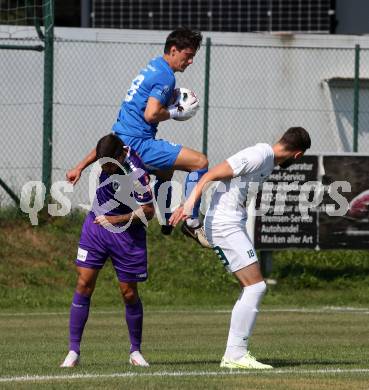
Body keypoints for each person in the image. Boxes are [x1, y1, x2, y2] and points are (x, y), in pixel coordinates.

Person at [170, 127, 311, 369]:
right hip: (225, 224)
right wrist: (190, 203)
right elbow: (211, 174)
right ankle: (235, 355)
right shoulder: (259, 155)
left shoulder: (267, 161)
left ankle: (235, 353)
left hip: (231, 224)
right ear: (297, 155)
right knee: (256, 287)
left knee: (254, 287)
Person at [66, 27, 210, 248]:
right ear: (174, 50)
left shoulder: (152, 66)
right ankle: (191, 221)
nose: (190, 61)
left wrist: (79, 167)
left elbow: (112, 140)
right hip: (140, 146)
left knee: (166, 170)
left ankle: (167, 219)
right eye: (188, 55)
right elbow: (151, 114)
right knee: (200, 162)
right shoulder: (165, 76)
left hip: (124, 142)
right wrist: (175, 111)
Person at [61, 134, 155, 368]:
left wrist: (118, 219)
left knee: (128, 293)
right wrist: (79, 167)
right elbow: (98, 149)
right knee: (84, 283)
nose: (105, 169)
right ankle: (73, 352)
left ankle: (135, 351)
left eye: (109, 165)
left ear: (121, 155)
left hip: (127, 233)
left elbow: (149, 212)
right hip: (97, 226)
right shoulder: (108, 152)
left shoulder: (137, 175)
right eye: (103, 164)